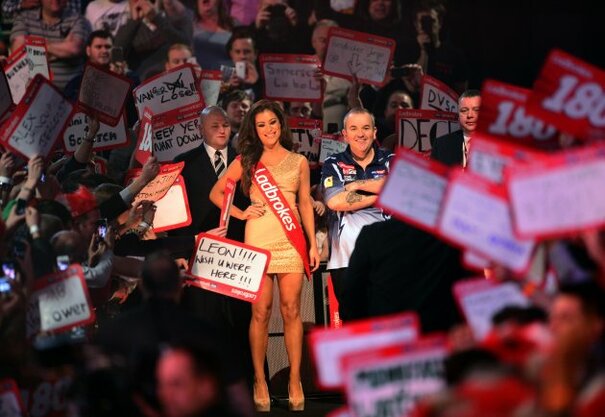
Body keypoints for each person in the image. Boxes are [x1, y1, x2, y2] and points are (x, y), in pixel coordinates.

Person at [209, 99, 320, 412]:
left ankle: (295, 380)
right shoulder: (247, 160)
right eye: (261, 125)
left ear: (281, 125)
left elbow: (304, 203)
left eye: (272, 122)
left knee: (291, 310)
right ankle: (259, 380)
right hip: (258, 239)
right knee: (260, 312)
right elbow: (217, 193)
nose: (268, 129)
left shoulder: (299, 161)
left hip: (290, 240)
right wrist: (241, 213)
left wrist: (312, 244)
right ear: (254, 130)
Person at [340, 218, 469, 332]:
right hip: (442, 333)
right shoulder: (452, 235)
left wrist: (367, 328)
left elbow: (351, 290)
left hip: (388, 333)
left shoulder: (372, 235)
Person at [320, 107, 393, 304]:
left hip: (387, 257)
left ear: (374, 132)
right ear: (345, 134)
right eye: (354, 128)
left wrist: (357, 185)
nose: (360, 134)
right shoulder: (333, 163)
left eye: (365, 128)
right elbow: (335, 201)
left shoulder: (390, 160)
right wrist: (379, 196)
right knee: (353, 320)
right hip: (345, 259)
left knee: (387, 317)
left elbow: (400, 186)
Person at [10, 0, 91, 90]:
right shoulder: (24, 18)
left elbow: (74, 48)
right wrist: (61, 49)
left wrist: (34, 46)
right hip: (35, 90)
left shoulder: (78, 19)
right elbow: (18, 53)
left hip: (71, 92)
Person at [431, 89, 481, 167]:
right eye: (464, 110)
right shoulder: (441, 145)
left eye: (476, 110)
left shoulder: (498, 145)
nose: (470, 115)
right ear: (458, 115)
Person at [193, 0, 233, 70]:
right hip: (198, 74)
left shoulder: (233, 25)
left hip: (226, 74)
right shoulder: (189, 26)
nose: (206, 2)